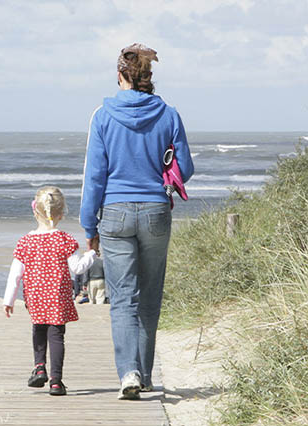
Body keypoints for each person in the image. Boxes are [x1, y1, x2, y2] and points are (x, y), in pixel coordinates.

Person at [80, 43, 194, 399]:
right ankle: (143, 374)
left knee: (123, 297)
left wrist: (89, 226)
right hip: (156, 210)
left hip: (114, 213)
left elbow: (94, 176)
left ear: (120, 76)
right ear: (149, 77)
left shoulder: (102, 115)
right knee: (149, 296)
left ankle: (128, 373)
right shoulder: (169, 114)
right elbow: (185, 169)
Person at [3, 186, 96, 396]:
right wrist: (92, 253)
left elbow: (15, 273)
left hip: (35, 296)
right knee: (56, 336)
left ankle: (39, 367)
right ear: (62, 213)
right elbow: (78, 268)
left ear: (34, 210)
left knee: (38, 329)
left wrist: (8, 299)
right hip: (58, 297)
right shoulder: (64, 239)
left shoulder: (25, 241)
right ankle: (56, 381)